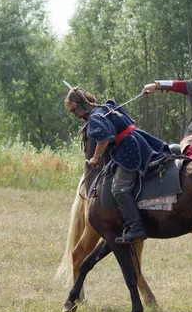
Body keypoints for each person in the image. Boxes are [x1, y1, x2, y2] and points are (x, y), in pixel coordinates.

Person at [64, 87, 170, 245]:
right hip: (137, 140)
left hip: (129, 149)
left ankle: (136, 228)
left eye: (74, 111)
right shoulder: (107, 107)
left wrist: (94, 158)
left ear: (78, 107)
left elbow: (104, 138)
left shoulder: (95, 117)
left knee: (119, 188)